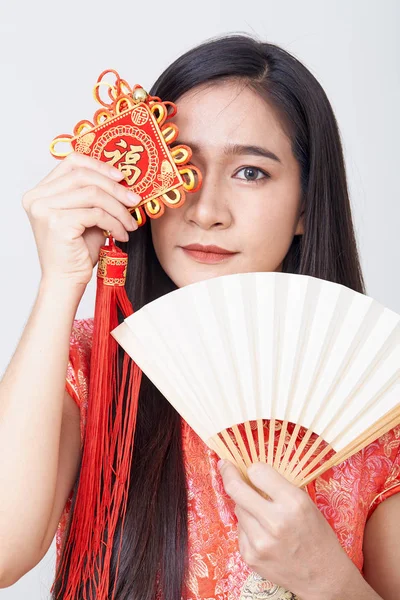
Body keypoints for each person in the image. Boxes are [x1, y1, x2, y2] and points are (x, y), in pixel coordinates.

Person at [0, 33, 399, 600]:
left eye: (251, 172)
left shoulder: (378, 410)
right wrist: (62, 281)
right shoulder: (95, 367)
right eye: (183, 166)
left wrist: (325, 578)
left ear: (306, 205)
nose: (206, 210)